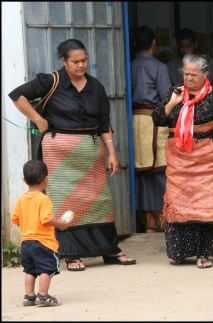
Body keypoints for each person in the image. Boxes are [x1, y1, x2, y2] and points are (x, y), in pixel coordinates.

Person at [8, 39, 136, 271]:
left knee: (101, 201)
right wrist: (38, 119)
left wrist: (112, 153)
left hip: (90, 153)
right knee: (64, 204)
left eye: (84, 60)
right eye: (75, 61)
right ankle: (70, 253)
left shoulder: (95, 87)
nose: (81, 65)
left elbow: (104, 123)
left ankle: (109, 249)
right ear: (64, 61)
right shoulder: (50, 81)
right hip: (59, 157)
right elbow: (17, 95)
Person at [152, 54, 213, 269]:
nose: (189, 78)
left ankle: (204, 253)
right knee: (179, 204)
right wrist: (172, 102)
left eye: (194, 74)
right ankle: (179, 252)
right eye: (186, 74)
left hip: (207, 159)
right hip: (179, 160)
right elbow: (157, 118)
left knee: (207, 204)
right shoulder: (176, 92)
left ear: (205, 75)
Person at [12, 160, 71, 307]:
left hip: (26, 242)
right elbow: (46, 220)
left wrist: (28, 225)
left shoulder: (21, 200)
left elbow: (16, 220)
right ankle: (43, 296)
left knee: (30, 270)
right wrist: (61, 224)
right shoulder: (43, 199)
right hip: (43, 243)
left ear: (24, 180)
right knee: (47, 268)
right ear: (46, 178)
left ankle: (29, 296)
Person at [131, 26, 171, 233]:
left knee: (140, 174)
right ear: (154, 42)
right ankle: (163, 219)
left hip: (133, 122)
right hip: (153, 121)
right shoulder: (159, 67)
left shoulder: (128, 66)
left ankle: (148, 221)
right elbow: (167, 97)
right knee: (161, 172)